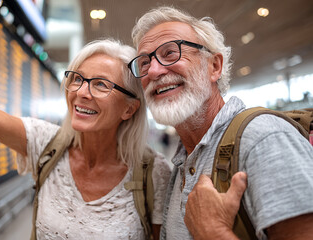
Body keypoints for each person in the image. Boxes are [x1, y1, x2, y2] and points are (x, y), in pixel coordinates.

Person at [0, 0, 171, 239]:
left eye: (100, 85)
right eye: (77, 79)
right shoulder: (46, 143)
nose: (82, 93)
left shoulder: (152, 172)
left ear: (129, 109)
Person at [128, 5, 313, 240]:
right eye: (144, 63)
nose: (153, 70)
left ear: (214, 66)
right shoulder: (183, 160)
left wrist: (213, 232)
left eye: (170, 53)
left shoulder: (263, 138)